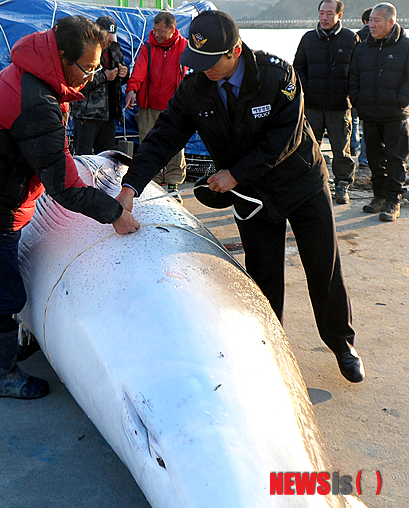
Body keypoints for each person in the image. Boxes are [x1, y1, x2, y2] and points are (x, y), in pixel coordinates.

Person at [117, 10, 365, 384]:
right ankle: (269, 346)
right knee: (263, 274)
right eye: (196, 62)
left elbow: (284, 138)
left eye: (210, 62)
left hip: (301, 184)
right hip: (251, 196)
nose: (203, 70)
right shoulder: (196, 87)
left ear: (234, 51)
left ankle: (341, 344)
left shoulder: (276, 75)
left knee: (323, 266)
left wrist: (235, 174)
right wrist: (130, 186)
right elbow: (163, 138)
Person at [0, 16, 140, 400]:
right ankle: (0, 375)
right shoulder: (37, 103)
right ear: (62, 56)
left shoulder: (28, 73)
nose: (91, 75)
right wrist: (115, 213)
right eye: (87, 67)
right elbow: (65, 185)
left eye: (98, 67)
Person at [293, 0, 359, 205]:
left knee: (342, 149)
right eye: (321, 13)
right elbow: (298, 67)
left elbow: (357, 71)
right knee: (308, 146)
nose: (324, 17)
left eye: (329, 13)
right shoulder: (308, 39)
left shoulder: (350, 39)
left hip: (340, 106)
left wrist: (351, 95)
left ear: (339, 16)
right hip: (312, 105)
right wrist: (307, 88)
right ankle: (311, 183)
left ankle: (342, 184)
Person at [349, 2, 409, 222]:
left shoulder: (405, 46)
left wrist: (400, 100)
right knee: (374, 158)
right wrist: (357, 100)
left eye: (376, 20)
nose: (371, 24)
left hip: (394, 114)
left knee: (395, 158)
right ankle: (379, 197)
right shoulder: (363, 46)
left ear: (390, 22)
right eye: (370, 20)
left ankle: (394, 200)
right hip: (369, 113)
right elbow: (353, 75)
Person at [124, 11, 187, 203]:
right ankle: (155, 182)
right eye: (154, 29)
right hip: (148, 105)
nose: (156, 34)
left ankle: (174, 184)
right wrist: (132, 89)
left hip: (174, 106)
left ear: (172, 30)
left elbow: (189, 76)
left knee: (176, 144)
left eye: (161, 31)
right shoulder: (147, 47)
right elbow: (139, 70)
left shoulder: (184, 46)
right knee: (148, 143)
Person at [71, 15, 128, 154]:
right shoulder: (84, 49)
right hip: (87, 113)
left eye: (111, 36)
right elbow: (78, 79)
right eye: (107, 36)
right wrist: (104, 76)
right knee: (83, 156)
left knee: (106, 156)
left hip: (108, 113)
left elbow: (120, 77)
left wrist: (125, 73)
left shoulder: (114, 48)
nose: (109, 40)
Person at [352, 7, 373, 168]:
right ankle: (365, 158)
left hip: (359, 90)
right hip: (373, 91)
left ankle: (354, 147)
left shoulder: (355, 38)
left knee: (353, 120)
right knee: (368, 125)